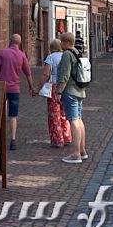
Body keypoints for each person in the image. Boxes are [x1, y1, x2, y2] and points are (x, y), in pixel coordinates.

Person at [0, 33, 35, 151]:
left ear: (10, 41)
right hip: (15, 89)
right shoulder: (22, 55)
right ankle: (13, 140)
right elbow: (28, 73)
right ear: (19, 43)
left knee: (0, 113)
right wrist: (31, 87)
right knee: (13, 115)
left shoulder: (3, 52)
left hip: (2, 87)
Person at [56, 32, 87, 164]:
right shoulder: (77, 52)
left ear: (67, 43)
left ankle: (75, 154)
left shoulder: (67, 55)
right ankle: (82, 150)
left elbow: (64, 76)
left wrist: (58, 93)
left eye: (62, 42)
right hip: (80, 90)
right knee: (79, 120)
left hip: (70, 91)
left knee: (73, 121)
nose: (60, 45)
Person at [40, 39, 71, 148]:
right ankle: (67, 136)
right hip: (65, 86)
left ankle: (58, 139)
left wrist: (38, 87)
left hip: (54, 87)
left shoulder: (50, 57)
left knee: (54, 113)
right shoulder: (64, 56)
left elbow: (46, 74)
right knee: (64, 112)